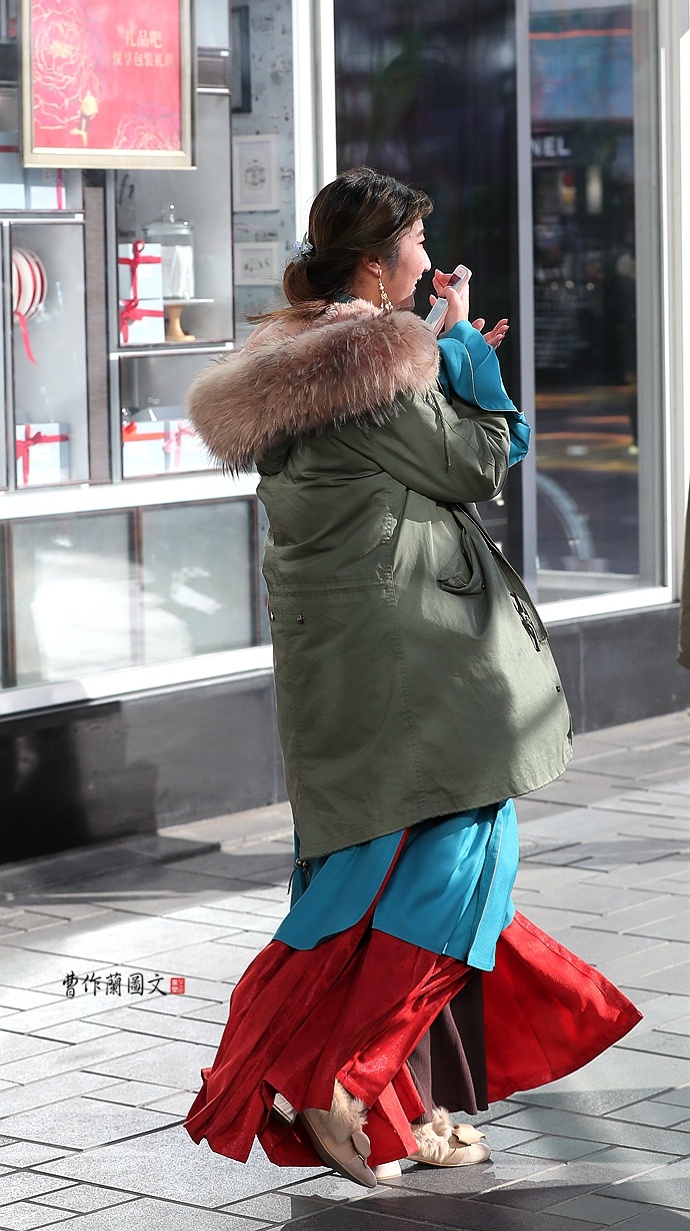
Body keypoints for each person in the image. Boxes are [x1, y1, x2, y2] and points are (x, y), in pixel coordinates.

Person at [185, 167, 641, 1188]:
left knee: (366, 875)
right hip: (419, 663)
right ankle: (346, 1079)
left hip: (338, 667)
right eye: (418, 247)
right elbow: (482, 459)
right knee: (461, 859)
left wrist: (431, 350)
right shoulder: (371, 360)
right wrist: (465, 346)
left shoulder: (287, 362)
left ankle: (402, 1115)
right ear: (375, 263)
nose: (429, 263)